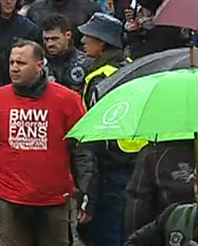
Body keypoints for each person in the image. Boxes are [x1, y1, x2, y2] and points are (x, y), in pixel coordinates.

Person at [0, 39, 95, 246]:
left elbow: (82, 151)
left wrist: (87, 193)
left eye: (21, 63)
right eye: (12, 62)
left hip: (55, 200)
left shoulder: (67, 100)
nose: (14, 68)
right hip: (11, 199)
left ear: (40, 66)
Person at [77, 13, 134, 246]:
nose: (82, 42)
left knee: (107, 235)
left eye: (88, 36)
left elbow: (92, 136)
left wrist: (86, 189)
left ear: (102, 43)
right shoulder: (133, 67)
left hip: (109, 168)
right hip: (136, 165)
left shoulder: (101, 79)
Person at [41, 13, 91, 94]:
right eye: (46, 39)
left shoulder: (85, 63)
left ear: (68, 35)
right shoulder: (38, 64)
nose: (49, 44)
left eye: (54, 39)